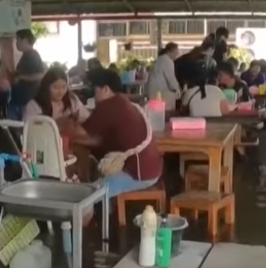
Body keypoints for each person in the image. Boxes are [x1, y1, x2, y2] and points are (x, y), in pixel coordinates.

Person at [80, 68, 162, 197]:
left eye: (94, 89)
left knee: (87, 196)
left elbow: (80, 133)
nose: (92, 94)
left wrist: (62, 125)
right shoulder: (123, 102)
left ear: (105, 89)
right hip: (152, 169)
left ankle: (98, 208)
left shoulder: (108, 106)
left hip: (137, 175)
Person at [25, 67, 89, 124]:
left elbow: (85, 118)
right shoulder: (34, 105)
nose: (60, 91)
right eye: (55, 87)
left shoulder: (71, 99)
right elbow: (32, 128)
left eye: (64, 87)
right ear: (46, 87)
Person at [8, 29, 46, 118]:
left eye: (18, 40)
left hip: (26, 99)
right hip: (20, 99)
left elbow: (40, 75)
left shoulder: (33, 55)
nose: (16, 43)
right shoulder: (26, 55)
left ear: (25, 40)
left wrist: (21, 77)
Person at [146, 42, 180, 109]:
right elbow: (171, 80)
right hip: (160, 93)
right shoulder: (167, 61)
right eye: (176, 53)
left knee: (154, 111)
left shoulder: (159, 59)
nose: (176, 56)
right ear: (170, 51)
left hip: (152, 91)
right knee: (165, 112)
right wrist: (179, 90)